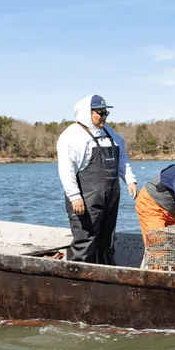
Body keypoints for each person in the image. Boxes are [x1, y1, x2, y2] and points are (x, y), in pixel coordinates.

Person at [57, 94, 138, 264]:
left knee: (107, 239)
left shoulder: (109, 131)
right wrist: (74, 196)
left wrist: (130, 179)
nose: (104, 117)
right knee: (85, 240)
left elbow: (122, 156)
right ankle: (80, 281)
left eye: (106, 113)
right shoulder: (73, 135)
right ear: (88, 112)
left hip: (110, 196)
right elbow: (66, 169)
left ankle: (106, 275)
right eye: (99, 113)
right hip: (86, 199)